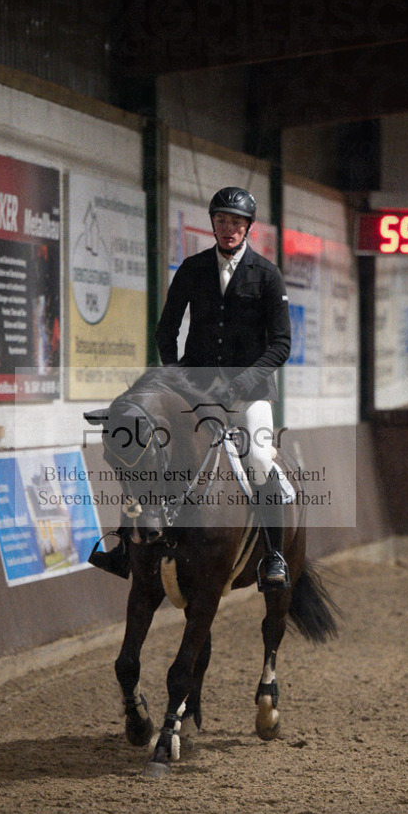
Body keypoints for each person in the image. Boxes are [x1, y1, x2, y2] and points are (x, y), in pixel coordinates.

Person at [90, 186, 292, 588]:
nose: (228, 229)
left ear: (247, 227)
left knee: (259, 461)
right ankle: (124, 549)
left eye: (236, 222)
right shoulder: (192, 268)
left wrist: (244, 381)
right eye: (221, 221)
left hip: (248, 394)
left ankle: (273, 556)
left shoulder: (266, 274)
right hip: (194, 390)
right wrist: (175, 376)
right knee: (149, 447)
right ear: (212, 224)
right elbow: (167, 329)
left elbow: (282, 344)